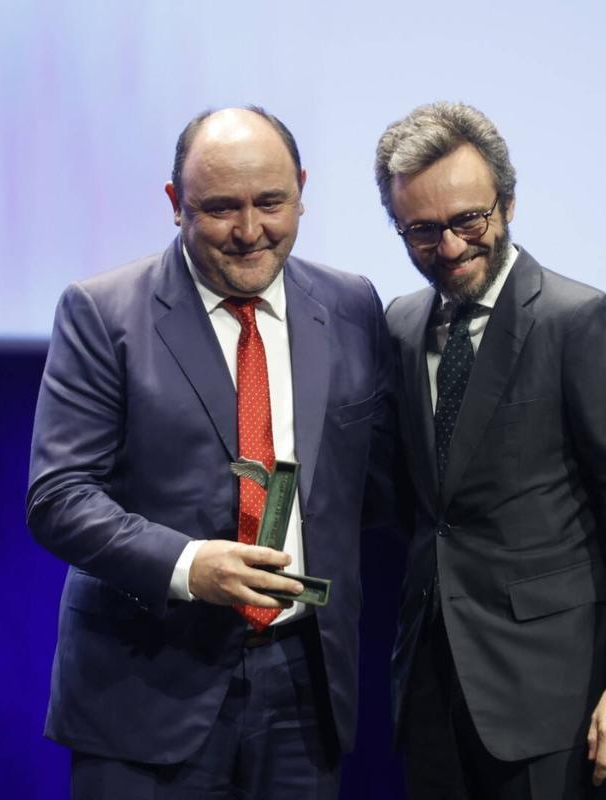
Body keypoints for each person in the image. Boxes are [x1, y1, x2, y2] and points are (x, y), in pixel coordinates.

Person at [27, 106, 396, 798]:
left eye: (271, 203)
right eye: (222, 208)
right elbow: (58, 499)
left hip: (302, 690)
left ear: (302, 190)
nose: (250, 231)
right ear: (175, 204)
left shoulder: (349, 305)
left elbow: (374, 484)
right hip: (144, 691)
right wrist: (190, 566)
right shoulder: (104, 314)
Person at [374, 102, 606, 799]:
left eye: (468, 221)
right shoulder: (399, 325)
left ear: (508, 204)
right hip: (431, 687)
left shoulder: (580, 323)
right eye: (422, 231)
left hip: (552, 697)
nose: (450, 247)